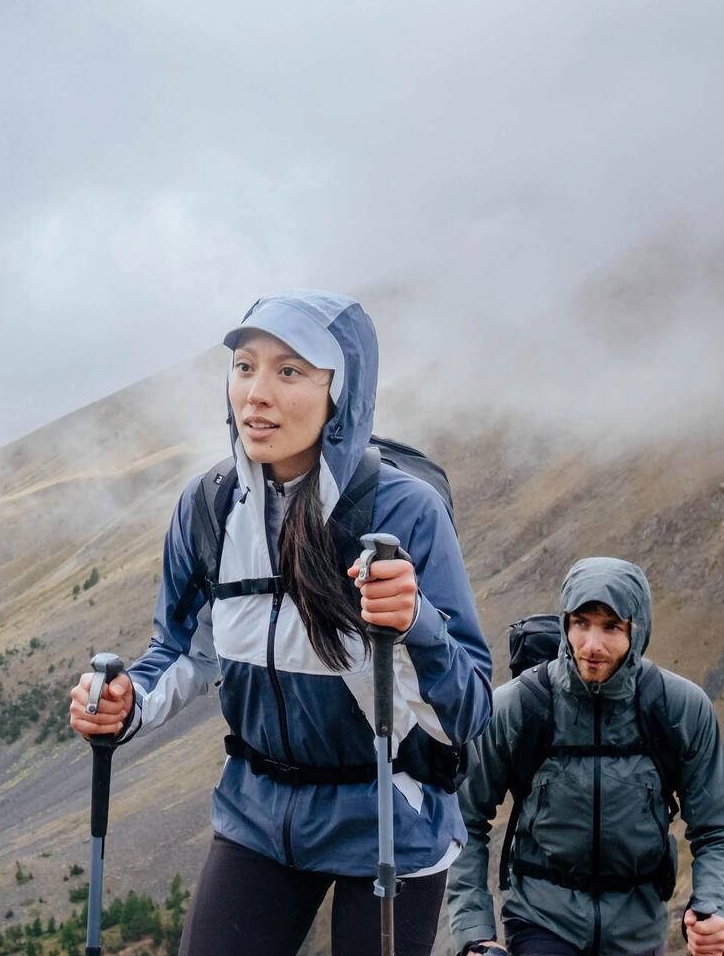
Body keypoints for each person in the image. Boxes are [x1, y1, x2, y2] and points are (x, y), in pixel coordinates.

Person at [67, 291, 493, 956]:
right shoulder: (208, 507)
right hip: (258, 810)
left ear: (340, 392)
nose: (256, 395)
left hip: (389, 815)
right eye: (244, 367)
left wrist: (417, 624)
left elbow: (467, 712)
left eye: (290, 371)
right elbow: (181, 650)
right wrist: (127, 704)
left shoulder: (404, 514)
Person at [445, 558, 724, 956]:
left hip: (638, 929)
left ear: (637, 631)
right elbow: (463, 820)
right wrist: (475, 933)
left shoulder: (679, 709)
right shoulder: (519, 706)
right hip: (542, 920)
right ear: (565, 623)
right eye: (581, 623)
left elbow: (718, 830)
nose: (592, 645)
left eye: (611, 627)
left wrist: (713, 907)